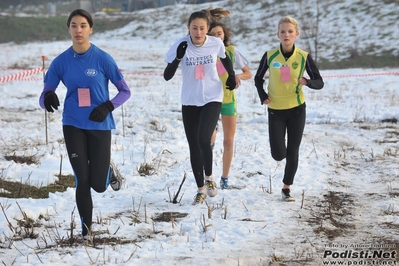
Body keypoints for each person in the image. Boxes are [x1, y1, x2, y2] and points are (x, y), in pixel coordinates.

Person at [38, 9, 131, 240]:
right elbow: (44, 94)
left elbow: (125, 91)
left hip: (99, 124)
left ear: (90, 29)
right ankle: (86, 232)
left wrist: (108, 106)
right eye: (73, 25)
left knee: (98, 185)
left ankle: (108, 170)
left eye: (82, 25)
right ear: (68, 29)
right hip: (73, 124)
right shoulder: (61, 61)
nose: (78, 30)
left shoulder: (103, 58)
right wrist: (47, 98)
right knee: (82, 178)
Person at [163, 8, 237, 205]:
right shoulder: (181, 44)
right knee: (194, 146)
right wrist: (178, 57)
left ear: (207, 29)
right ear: (188, 28)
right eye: (194, 28)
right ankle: (200, 189)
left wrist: (230, 75)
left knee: (204, 138)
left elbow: (225, 57)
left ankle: (210, 177)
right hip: (189, 100)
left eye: (202, 28)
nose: (197, 32)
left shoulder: (215, 42)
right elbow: (167, 75)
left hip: (212, 96)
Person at [254, 16, 324, 202]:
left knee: (293, 151)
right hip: (275, 110)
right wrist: (262, 95)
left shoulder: (303, 56)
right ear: (278, 34)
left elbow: (319, 82)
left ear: (296, 34)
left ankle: (286, 187)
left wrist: (307, 82)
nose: (286, 34)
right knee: (278, 154)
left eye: (290, 31)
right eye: (283, 31)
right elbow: (258, 78)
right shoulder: (269, 56)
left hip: (297, 109)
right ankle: (282, 158)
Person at [208, 19, 252, 190]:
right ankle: (208, 174)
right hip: (210, 101)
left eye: (219, 33)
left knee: (228, 141)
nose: (217, 37)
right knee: (209, 140)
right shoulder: (205, 53)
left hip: (228, 101)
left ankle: (225, 178)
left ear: (224, 35)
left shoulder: (231, 52)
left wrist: (238, 77)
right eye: (212, 35)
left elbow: (248, 73)